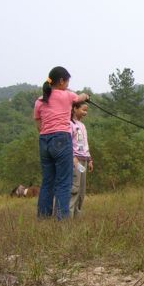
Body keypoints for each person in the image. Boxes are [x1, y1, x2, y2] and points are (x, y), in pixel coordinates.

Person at [34, 67, 89, 220]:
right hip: (61, 139)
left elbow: (39, 126)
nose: (67, 84)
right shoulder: (67, 95)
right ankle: (61, 221)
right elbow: (81, 97)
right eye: (67, 81)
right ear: (61, 81)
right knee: (64, 182)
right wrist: (86, 95)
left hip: (44, 141)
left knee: (47, 182)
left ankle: (43, 218)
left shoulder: (39, 101)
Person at [70, 100, 93, 218]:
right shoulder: (70, 124)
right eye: (83, 110)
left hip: (84, 160)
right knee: (74, 188)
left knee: (82, 191)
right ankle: (67, 216)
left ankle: (77, 216)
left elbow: (85, 144)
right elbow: (67, 142)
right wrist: (73, 158)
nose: (85, 113)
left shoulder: (83, 126)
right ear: (74, 109)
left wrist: (90, 160)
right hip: (75, 160)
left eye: (86, 111)